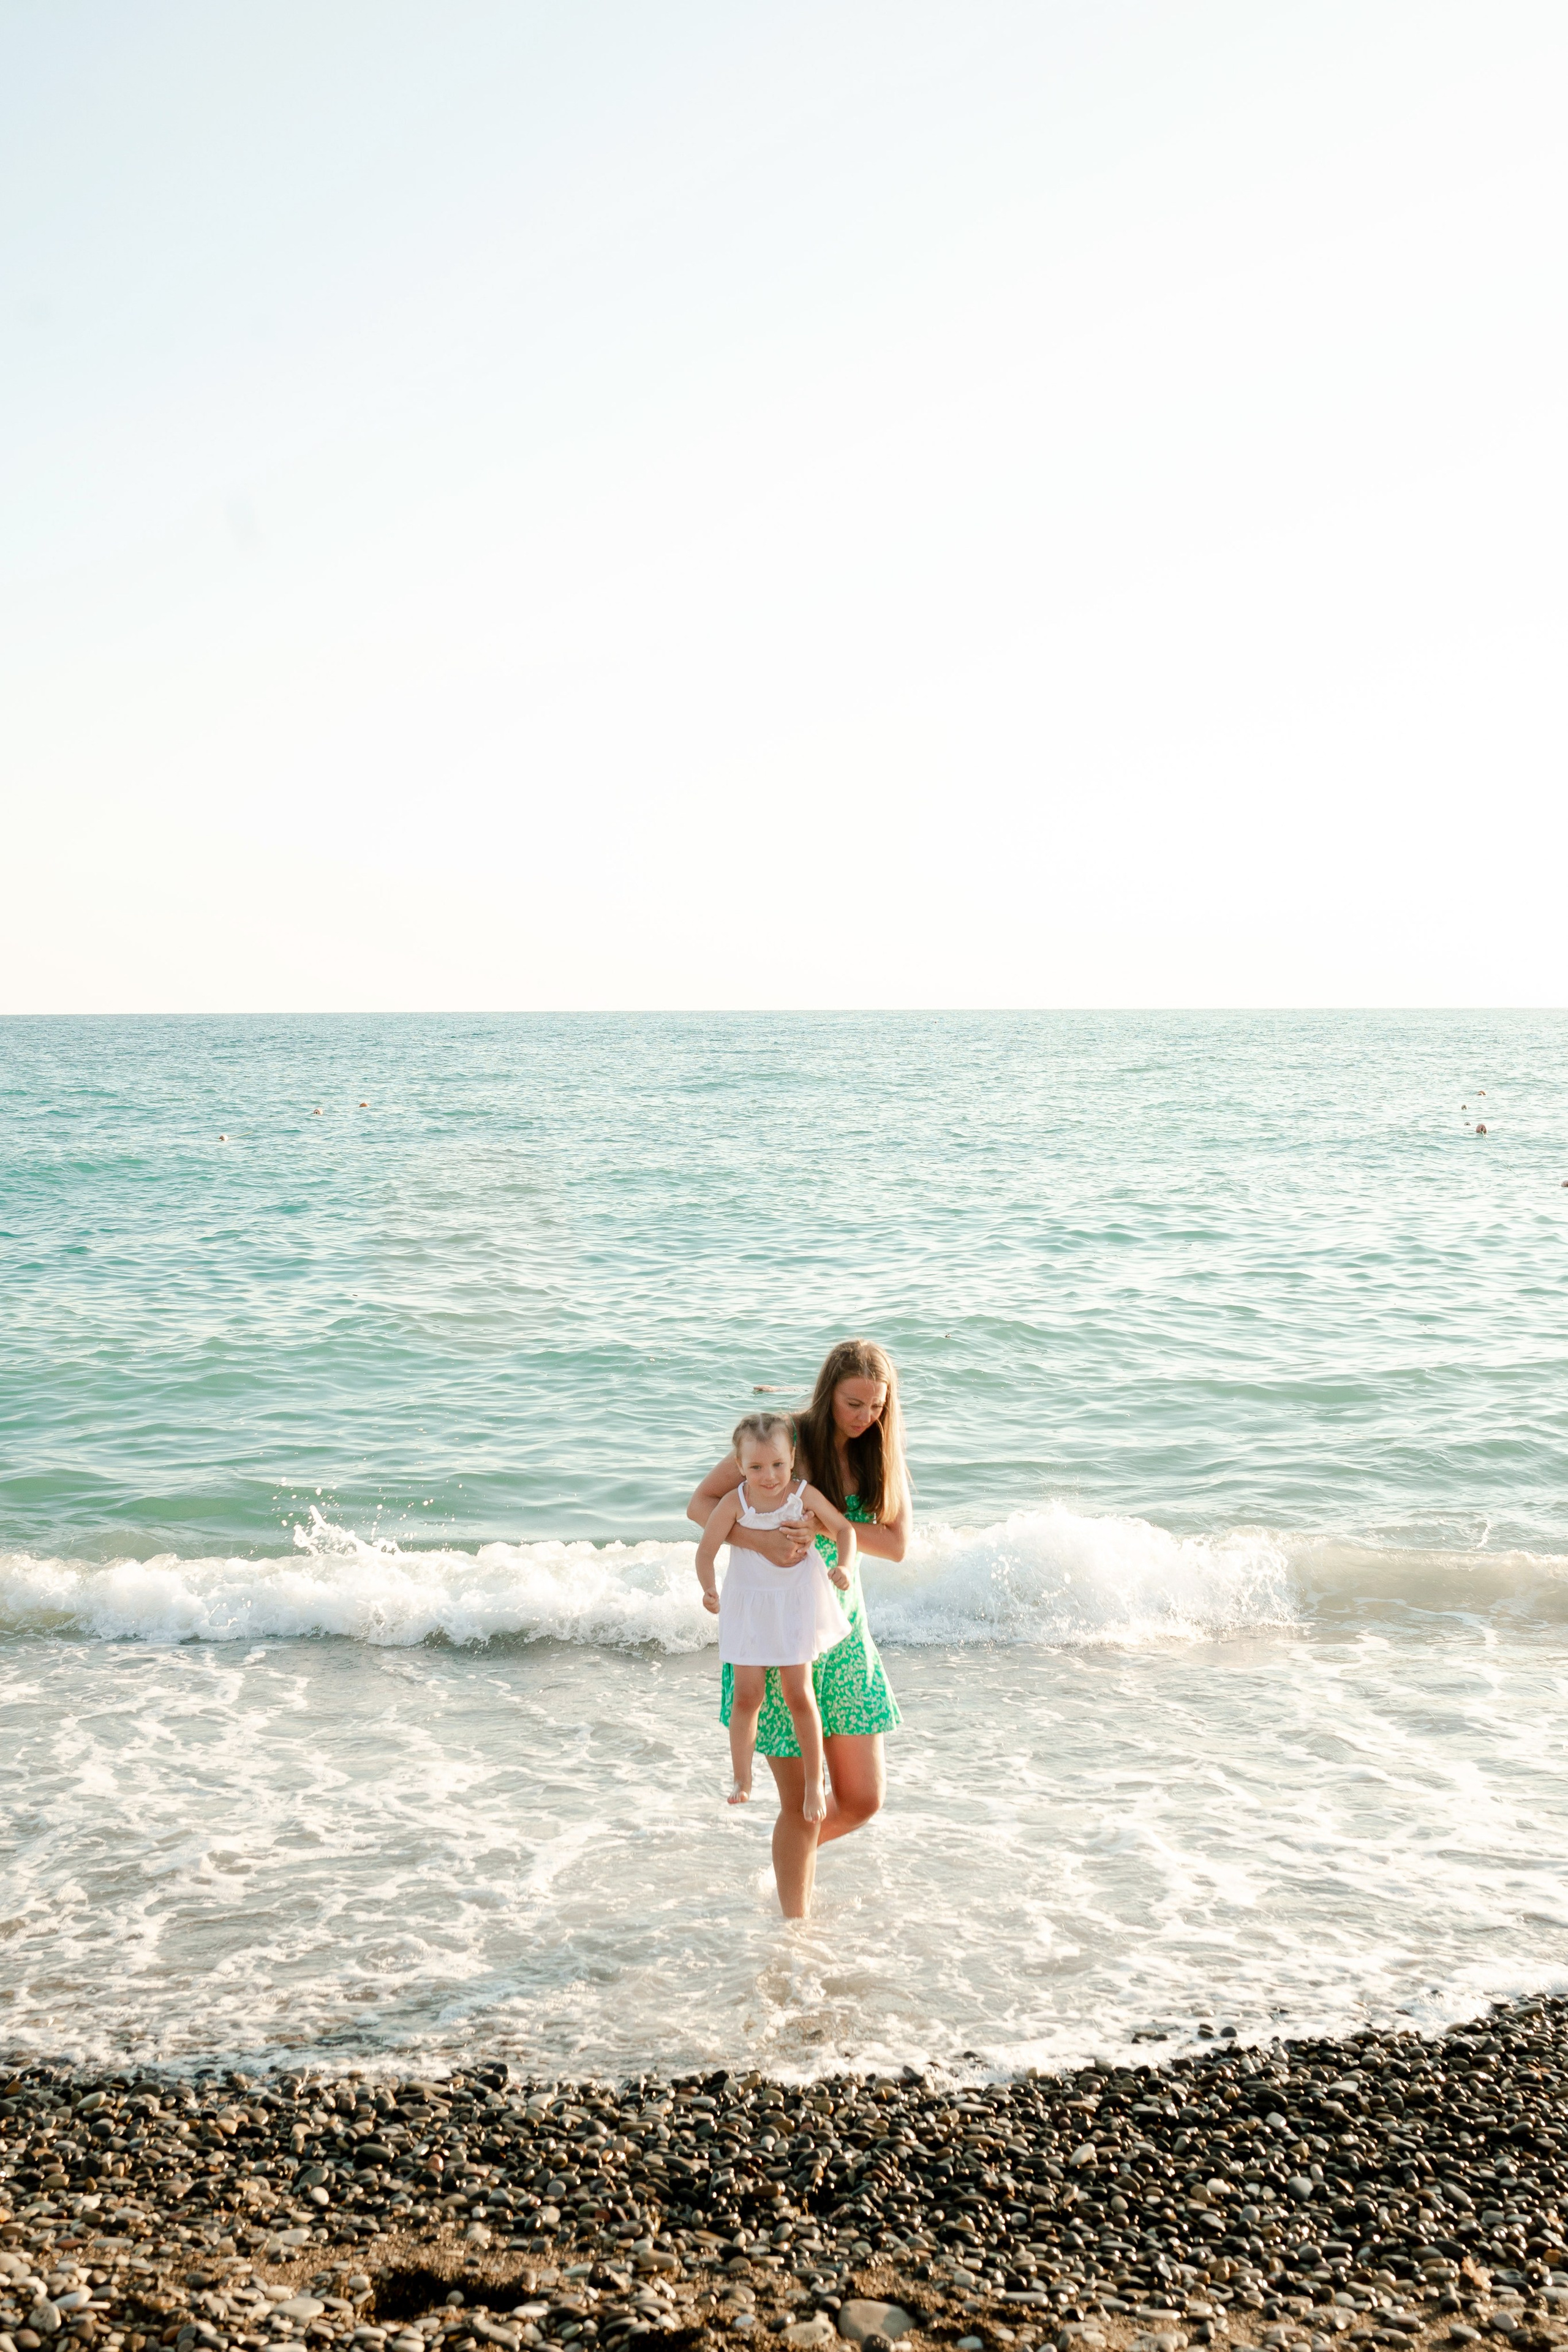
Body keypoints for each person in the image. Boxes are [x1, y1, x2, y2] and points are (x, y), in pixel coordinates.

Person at [687, 1338, 908, 1918]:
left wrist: (828, 1535)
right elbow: (702, 1503)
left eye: (876, 1406)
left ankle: (788, 1863)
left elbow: (897, 1544)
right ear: (827, 1391)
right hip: (777, 1635)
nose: (864, 1417)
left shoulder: (881, 1455)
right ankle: (793, 1936)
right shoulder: (785, 1441)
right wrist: (756, 1538)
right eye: (852, 1403)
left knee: (862, 1800)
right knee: (798, 1804)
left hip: (845, 1633)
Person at [693, 1411, 854, 1820]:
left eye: (779, 1465)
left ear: (793, 1456)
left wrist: (846, 1566)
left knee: (799, 1694)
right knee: (748, 1696)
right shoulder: (735, 1502)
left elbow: (844, 1530)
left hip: (794, 1603)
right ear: (739, 1467)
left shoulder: (803, 1495)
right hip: (749, 1605)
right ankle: (741, 1777)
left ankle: (815, 1785)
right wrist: (708, 1587)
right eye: (757, 1467)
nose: (770, 1477)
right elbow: (706, 1550)